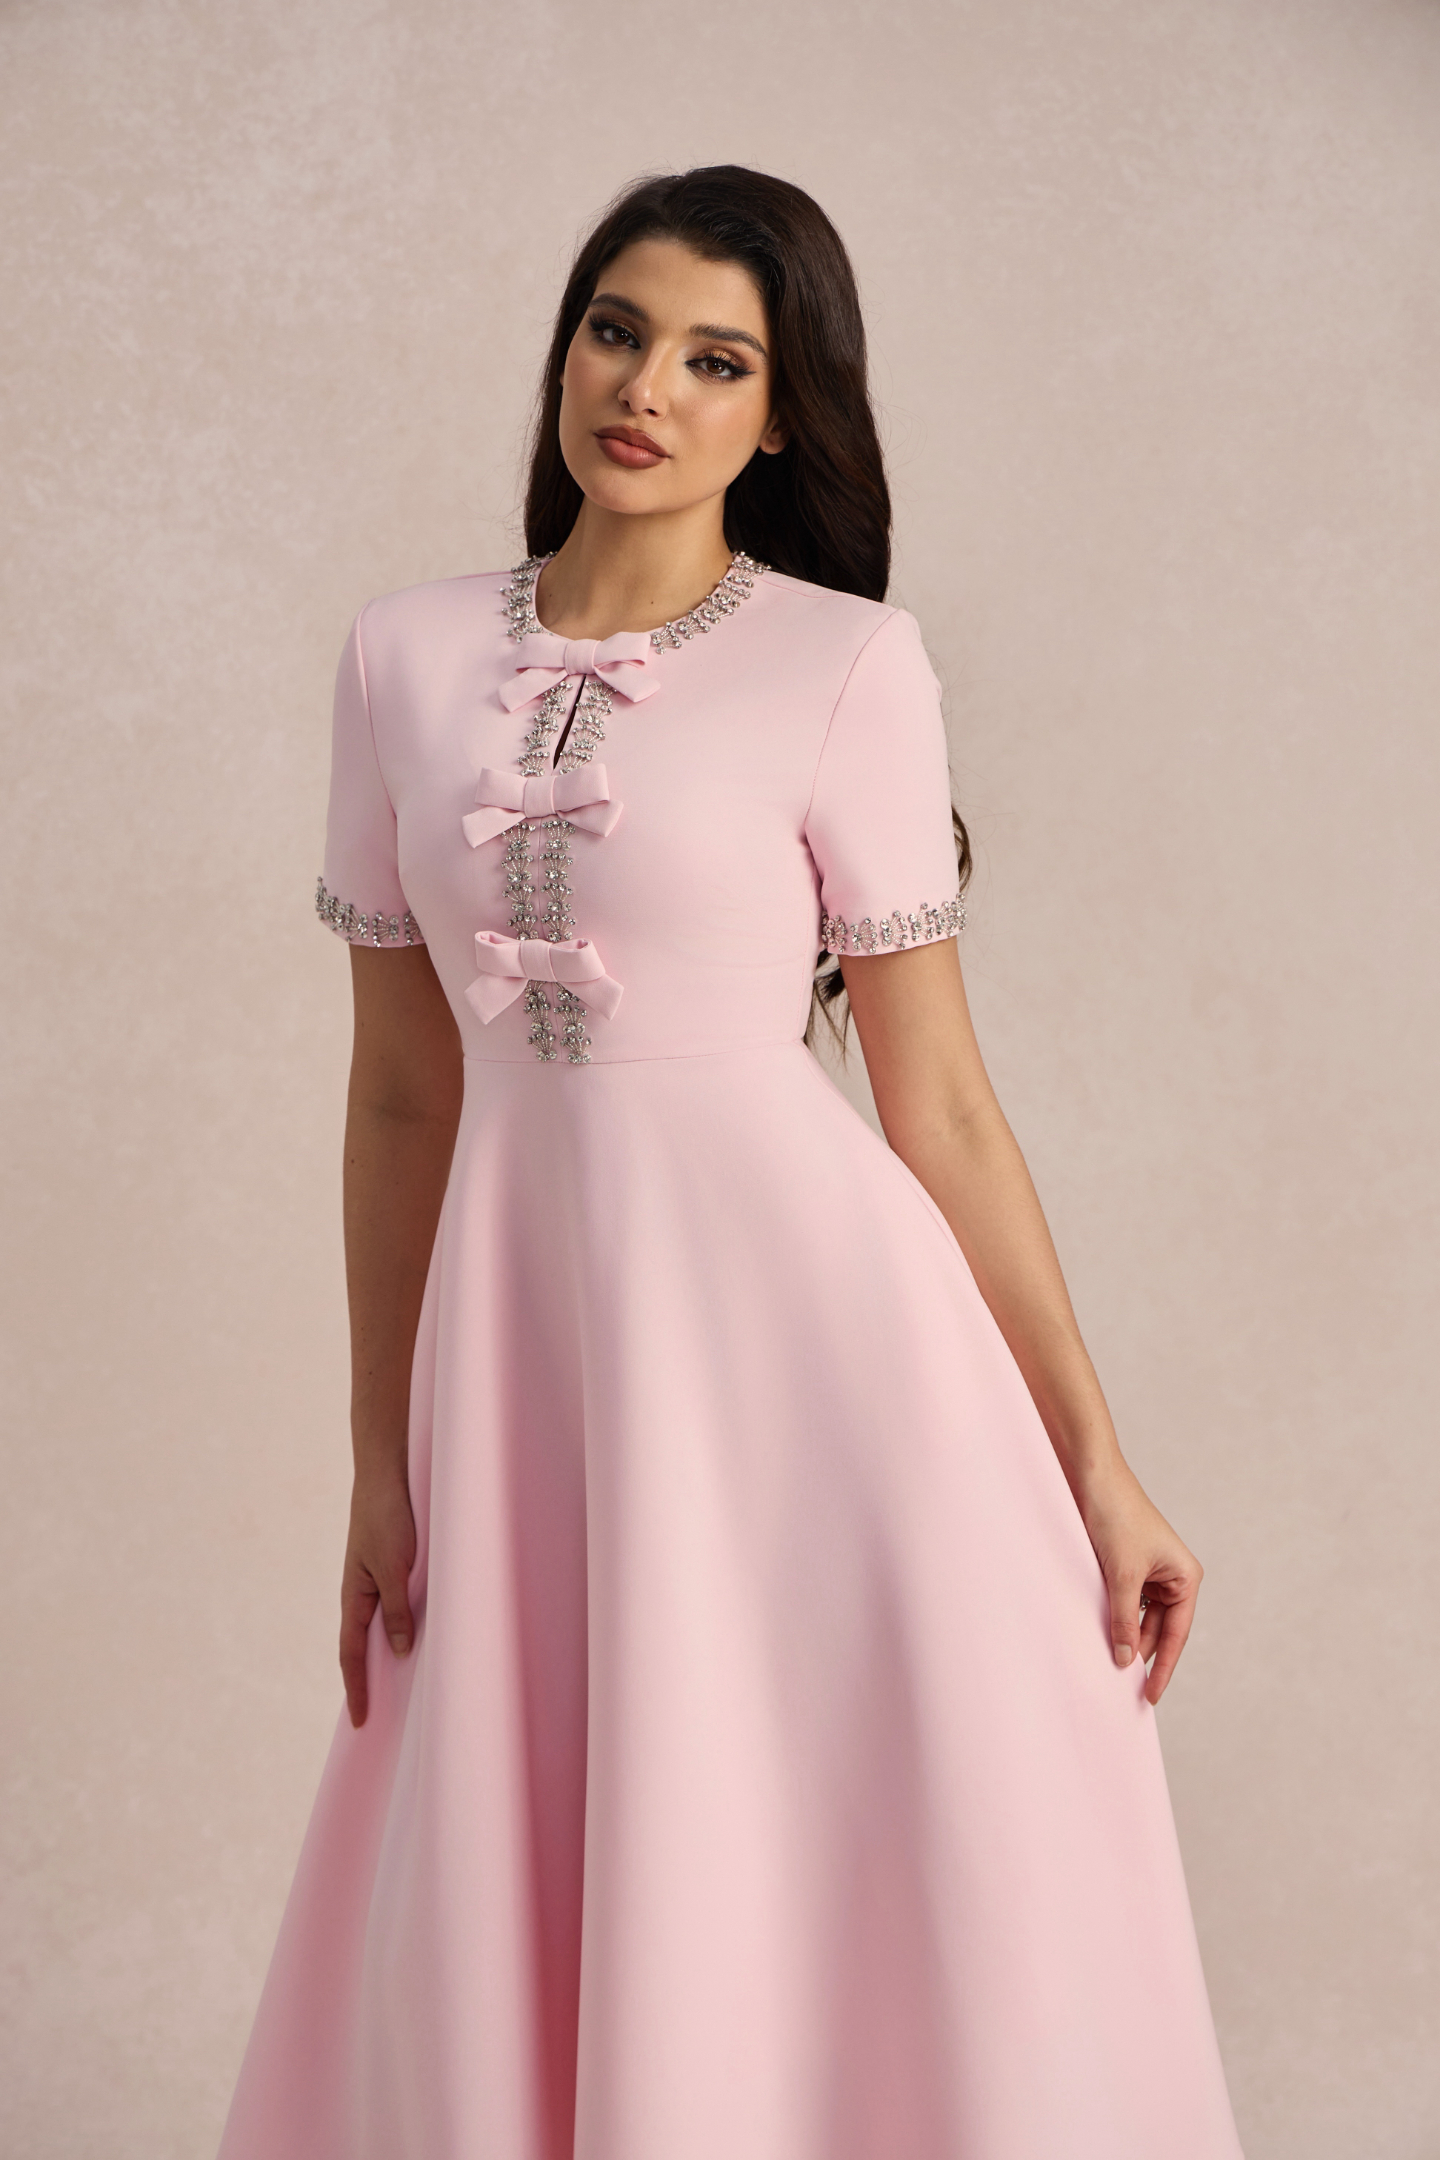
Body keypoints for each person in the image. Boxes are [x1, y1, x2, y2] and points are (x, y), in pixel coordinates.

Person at [218, 164, 1243, 2159]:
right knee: (528, 1826)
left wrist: (1096, 1460)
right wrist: (377, 1451)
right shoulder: (399, 659)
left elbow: (940, 1105)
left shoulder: (848, 661)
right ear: (565, 351)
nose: (647, 389)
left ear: (780, 418)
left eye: (716, 360)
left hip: (820, 1362)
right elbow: (404, 1095)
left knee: (810, 1840)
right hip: (530, 1358)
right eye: (619, 332)